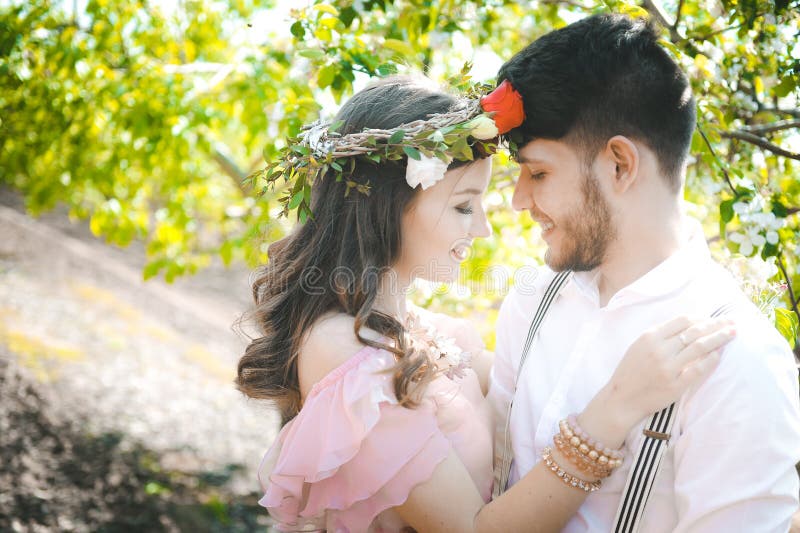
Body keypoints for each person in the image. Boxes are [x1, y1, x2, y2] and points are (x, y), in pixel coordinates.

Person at [236, 75, 736, 532]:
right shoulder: (342, 349)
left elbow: (545, 387)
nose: (483, 227)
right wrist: (614, 411)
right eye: (462, 206)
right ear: (387, 204)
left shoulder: (435, 334)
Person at [488, 13, 800, 532]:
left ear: (619, 165)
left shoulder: (736, 359)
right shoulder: (530, 299)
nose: (520, 200)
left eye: (538, 172)